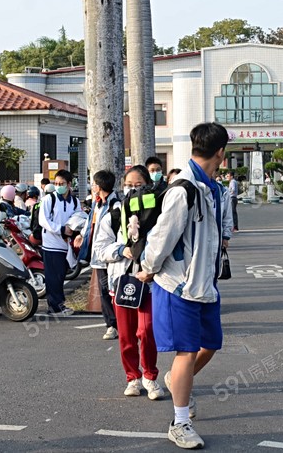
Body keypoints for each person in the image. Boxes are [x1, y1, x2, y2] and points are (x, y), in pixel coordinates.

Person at [138, 122, 233, 449]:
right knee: (187, 351)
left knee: (211, 345)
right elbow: (162, 236)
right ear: (220, 152)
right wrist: (147, 267)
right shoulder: (184, 189)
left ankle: (176, 380)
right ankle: (179, 422)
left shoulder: (213, 188)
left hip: (205, 284)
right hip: (178, 285)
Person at [97, 165, 165, 400]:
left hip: (149, 281)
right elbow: (99, 250)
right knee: (126, 334)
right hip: (123, 282)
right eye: (129, 185)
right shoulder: (114, 215)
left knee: (146, 331)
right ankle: (132, 378)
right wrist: (122, 250)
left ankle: (150, 376)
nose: (133, 189)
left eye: (139, 185)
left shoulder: (157, 213)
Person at [78, 170, 120, 340]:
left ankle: (118, 324)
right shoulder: (97, 204)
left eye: (94, 184)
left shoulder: (115, 206)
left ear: (100, 186)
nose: (92, 186)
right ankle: (111, 324)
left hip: (112, 257)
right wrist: (82, 235)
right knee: (104, 291)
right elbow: (90, 223)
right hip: (99, 257)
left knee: (113, 290)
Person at [39, 170, 81, 316]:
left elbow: (78, 216)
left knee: (61, 275)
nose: (58, 186)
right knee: (53, 276)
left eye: (61, 183)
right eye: (56, 183)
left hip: (65, 244)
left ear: (69, 184)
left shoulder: (74, 201)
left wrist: (73, 230)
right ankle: (55, 306)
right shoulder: (49, 200)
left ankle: (59, 304)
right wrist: (61, 229)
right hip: (51, 243)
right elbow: (44, 221)